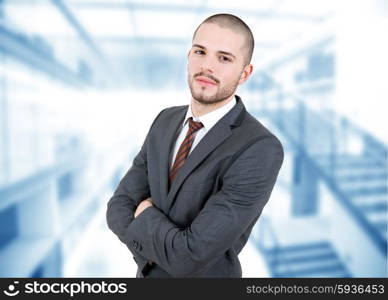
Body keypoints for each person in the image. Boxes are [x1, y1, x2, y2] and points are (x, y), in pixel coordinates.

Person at [106, 13, 284, 278]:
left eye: (224, 58)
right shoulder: (165, 120)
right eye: (200, 52)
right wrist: (166, 246)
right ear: (189, 56)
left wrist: (144, 215)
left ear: (245, 73)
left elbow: (190, 257)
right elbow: (117, 209)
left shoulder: (259, 147)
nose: (207, 66)